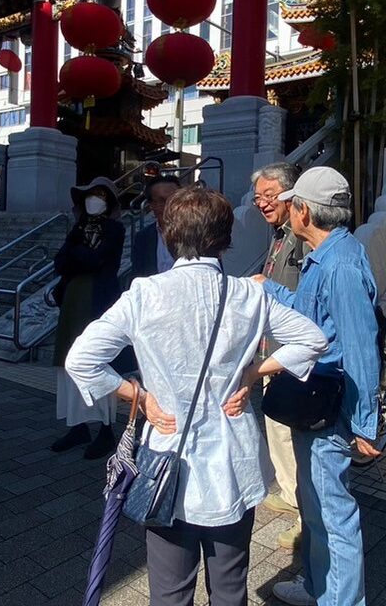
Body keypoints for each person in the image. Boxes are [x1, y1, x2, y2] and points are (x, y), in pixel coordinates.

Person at [66, 186, 328, 606]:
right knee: (230, 587)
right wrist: (251, 373)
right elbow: (313, 339)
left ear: (169, 234)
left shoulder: (144, 294)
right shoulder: (248, 294)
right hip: (232, 458)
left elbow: (81, 359)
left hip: (167, 457)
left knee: (170, 591)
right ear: (224, 238)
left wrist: (138, 396)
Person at [256, 167, 382, 606]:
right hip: (312, 399)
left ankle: (339, 599)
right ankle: (316, 586)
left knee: (331, 512)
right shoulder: (324, 255)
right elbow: (309, 313)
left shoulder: (341, 265)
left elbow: (360, 346)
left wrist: (365, 424)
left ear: (304, 211)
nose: (288, 210)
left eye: (291, 203)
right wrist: (269, 289)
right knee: (314, 504)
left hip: (329, 403)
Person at [50, 177, 127, 459]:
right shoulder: (78, 227)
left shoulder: (115, 229)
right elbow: (59, 263)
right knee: (68, 361)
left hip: (99, 300)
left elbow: (96, 261)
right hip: (73, 299)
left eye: (101, 195)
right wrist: (78, 255)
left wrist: (75, 254)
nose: (95, 199)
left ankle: (106, 429)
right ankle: (77, 425)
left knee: (98, 360)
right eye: (91, 194)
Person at [251, 162, 306, 550]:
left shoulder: (303, 237)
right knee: (277, 429)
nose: (262, 203)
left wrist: (266, 286)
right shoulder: (279, 234)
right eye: (258, 198)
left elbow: (306, 297)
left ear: (290, 195)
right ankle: (289, 492)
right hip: (272, 349)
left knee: (297, 435)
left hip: (294, 352)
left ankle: (307, 516)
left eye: (269, 196)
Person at [131, 175, 181, 278]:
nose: (169, 206)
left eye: (174, 200)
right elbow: (138, 275)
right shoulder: (143, 238)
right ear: (151, 205)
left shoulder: (196, 235)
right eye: (162, 201)